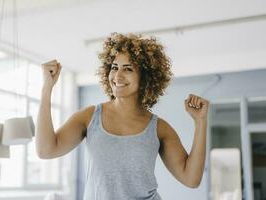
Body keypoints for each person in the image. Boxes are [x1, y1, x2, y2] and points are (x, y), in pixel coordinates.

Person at [36, 32, 209, 200]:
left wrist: (200, 121)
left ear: (145, 77)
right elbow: (46, 150)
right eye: (114, 67)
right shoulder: (89, 117)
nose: (117, 76)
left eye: (128, 69)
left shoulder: (159, 128)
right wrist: (47, 88)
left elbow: (191, 179)